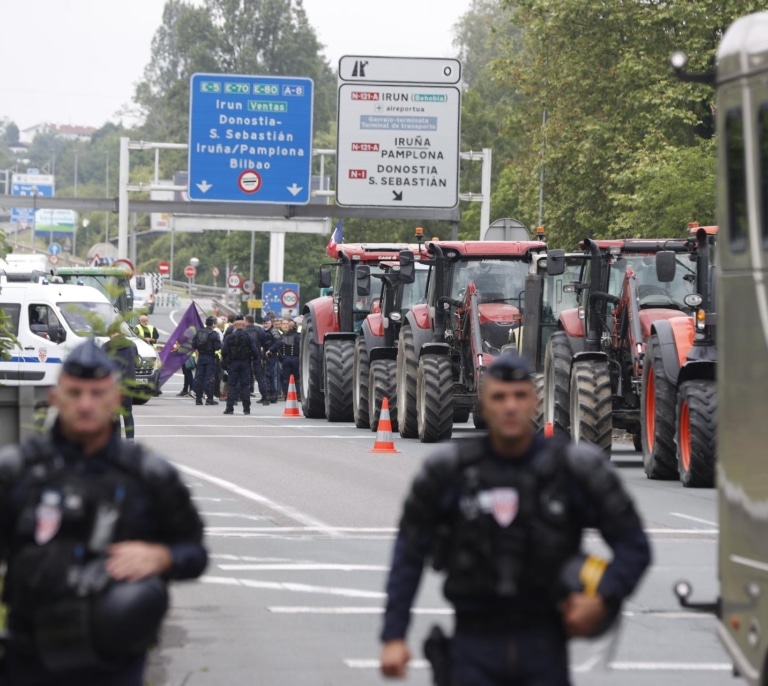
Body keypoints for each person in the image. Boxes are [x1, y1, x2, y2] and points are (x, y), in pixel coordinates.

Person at [379, 351, 652, 686]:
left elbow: (634, 545)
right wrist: (394, 636)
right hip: (472, 646)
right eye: (499, 397)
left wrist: (604, 597)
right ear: (483, 403)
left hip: (544, 646)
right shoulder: (450, 471)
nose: (510, 406)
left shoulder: (572, 470)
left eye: (520, 396)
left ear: (535, 401)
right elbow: (409, 552)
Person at [0, 338, 208, 685]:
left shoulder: (148, 476)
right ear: (55, 398)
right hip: (29, 660)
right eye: (75, 393)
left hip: (114, 666)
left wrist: (163, 557)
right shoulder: (18, 472)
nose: (85, 405)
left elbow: (194, 552)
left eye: (97, 394)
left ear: (115, 400)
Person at [103, 323, 138, 442]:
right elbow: (136, 363)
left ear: (111, 333)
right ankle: (130, 441)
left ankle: (117, 442)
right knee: (127, 412)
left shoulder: (106, 346)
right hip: (128, 383)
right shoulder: (132, 345)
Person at [221, 315, 260, 415]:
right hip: (245, 363)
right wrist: (253, 360)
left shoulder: (230, 337)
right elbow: (255, 351)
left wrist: (226, 362)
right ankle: (246, 409)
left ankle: (229, 408)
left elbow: (224, 351)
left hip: (233, 363)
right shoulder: (248, 337)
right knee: (245, 386)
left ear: (234, 326)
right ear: (244, 325)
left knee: (232, 385)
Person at [268, 318, 300, 400]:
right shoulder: (298, 337)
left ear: (289, 327)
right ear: (295, 327)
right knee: (297, 378)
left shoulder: (283, 336)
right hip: (296, 359)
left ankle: (287, 395)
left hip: (286, 359)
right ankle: (298, 394)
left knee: (286, 378)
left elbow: (277, 344)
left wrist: (270, 350)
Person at [192, 316, 221, 406]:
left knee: (199, 378)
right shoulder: (214, 334)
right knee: (209, 378)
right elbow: (217, 347)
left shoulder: (199, 332)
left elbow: (193, 344)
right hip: (210, 357)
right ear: (213, 324)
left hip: (201, 357)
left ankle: (198, 399)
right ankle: (209, 399)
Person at [244, 315, 271, 405]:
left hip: (246, 356)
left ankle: (244, 397)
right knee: (260, 378)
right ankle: (265, 397)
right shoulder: (259, 329)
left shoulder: (244, 331)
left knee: (245, 377)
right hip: (257, 355)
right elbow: (263, 341)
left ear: (246, 321)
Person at [262, 318, 280, 402]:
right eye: (264, 323)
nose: (265, 324)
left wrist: (271, 350)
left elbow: (278, 342)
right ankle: (269, 394)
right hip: (265, 356)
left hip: (271, 355)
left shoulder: (273, 331)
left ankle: (272, 395)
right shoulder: (264, 331)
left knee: (271, 375)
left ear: (270, 323)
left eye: (266, 323)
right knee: (267, 376)